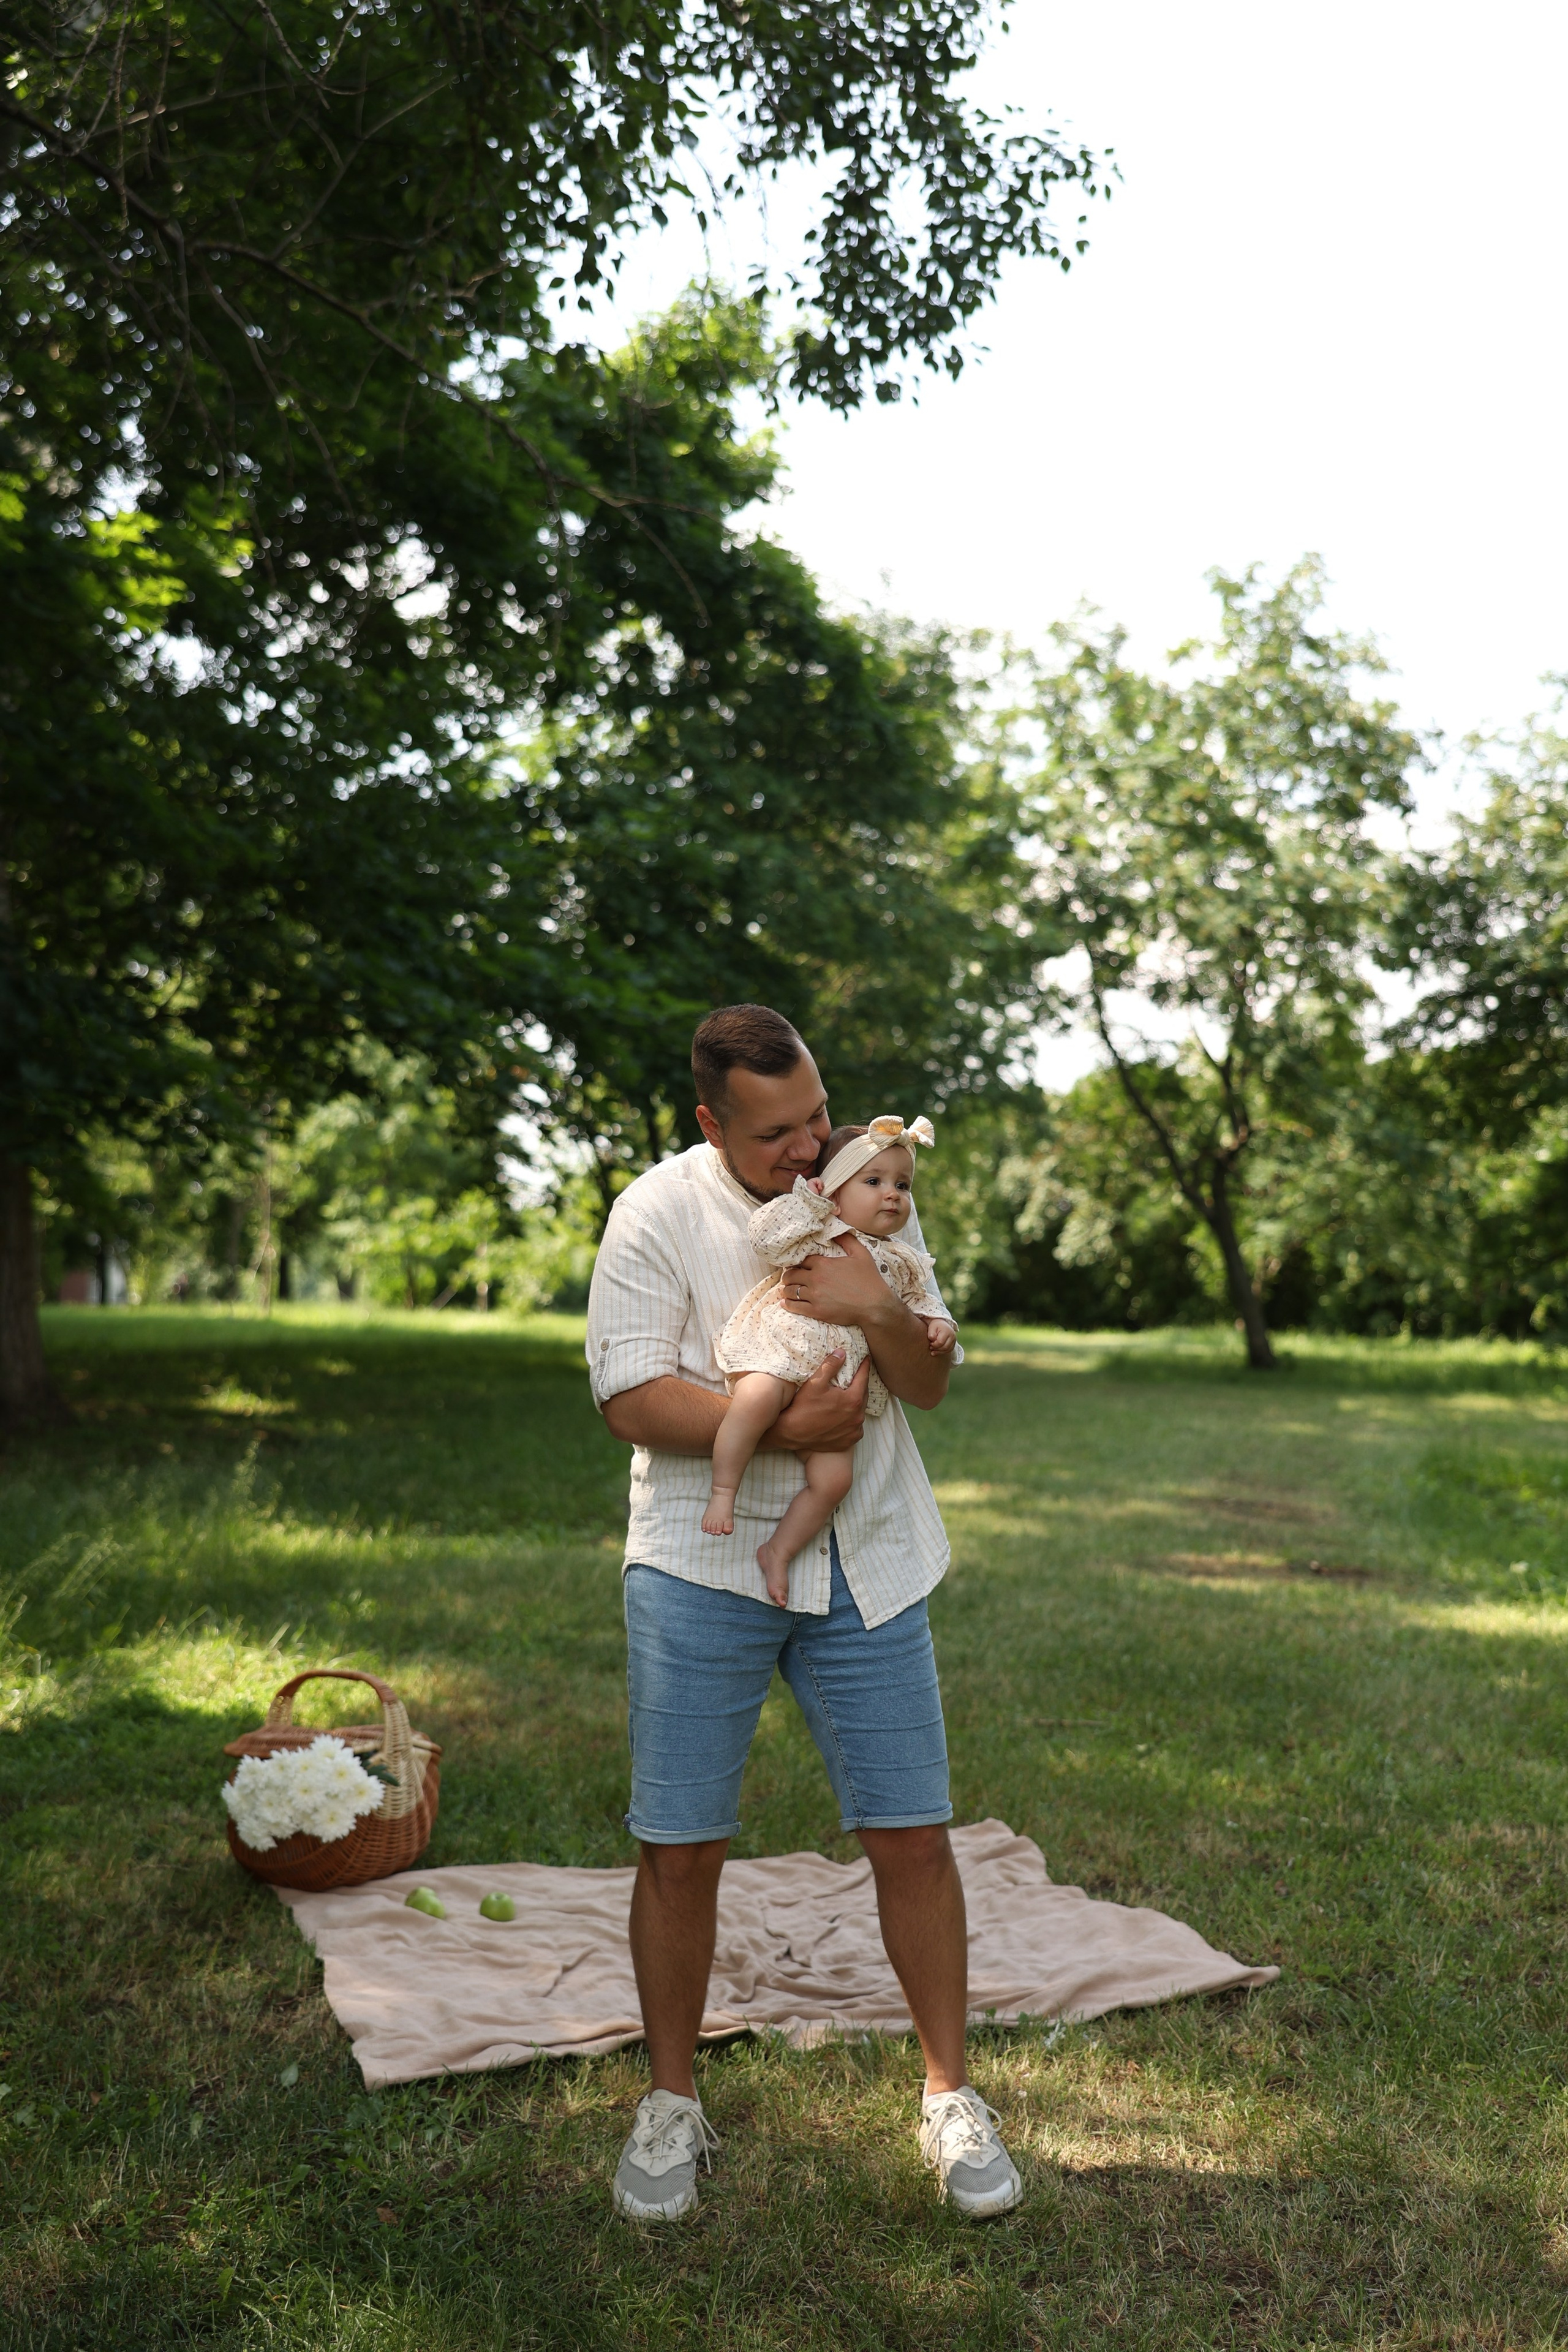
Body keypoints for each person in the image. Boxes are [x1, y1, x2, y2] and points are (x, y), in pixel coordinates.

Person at [585, 1003, 1022, 2224]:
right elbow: (628, 1395)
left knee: (913, 1834)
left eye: (817, 1116)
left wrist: (877, 1306)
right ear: (710, 1121)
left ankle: (949, 2096)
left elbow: (926, 1383)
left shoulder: (868, 1186)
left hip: (867, 1553)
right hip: (702, 1560)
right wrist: (786, 1425)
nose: (808, 1147)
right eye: (777, 1132)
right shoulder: (654, 1212)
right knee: (680, 1846)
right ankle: (670, 2103)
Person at [705, 1115, 958, 1604]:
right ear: (836, 1189)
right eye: (874, 1182)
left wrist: (939, 1324)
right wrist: (810, 1202)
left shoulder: (902, 1257)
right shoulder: (819, 1227)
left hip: (842, 1388)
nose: (893, 1195)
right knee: (754, 1402)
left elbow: (920, 1300)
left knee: (834, 1481)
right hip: (784, 1354)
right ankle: (723, 1491)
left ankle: (778, 1551)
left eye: (903, 1185)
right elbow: (766, 1238)